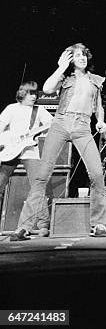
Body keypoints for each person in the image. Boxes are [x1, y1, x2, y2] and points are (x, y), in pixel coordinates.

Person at [10, 44, 106, 240]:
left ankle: (98, 224)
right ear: (71, 60)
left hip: (83, 127)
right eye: (78, 56)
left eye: (84, 56)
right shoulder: (65, 77)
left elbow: (99, 107)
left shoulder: (95, 81)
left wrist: (100, 121)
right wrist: (61, 67)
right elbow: (46, 88)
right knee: (41, 176)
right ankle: (24, 227)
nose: (82, 59)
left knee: (97, 174)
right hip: (61, 123)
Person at [0, 81, 52, 235]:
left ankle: (43, 225)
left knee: (38, 185)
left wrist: (42, 131)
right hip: (10, 149)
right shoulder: (11, 108)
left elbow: (51, 124)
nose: (34, 97)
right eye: (31, 93)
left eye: (36, 93)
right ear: (22, 93)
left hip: (30, 150)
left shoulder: (39, 110)